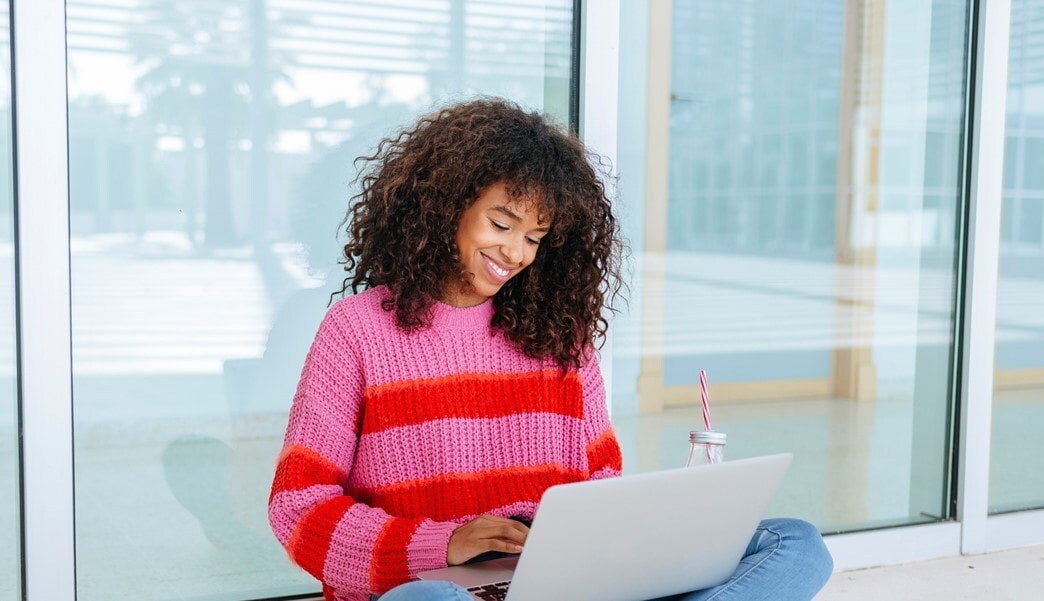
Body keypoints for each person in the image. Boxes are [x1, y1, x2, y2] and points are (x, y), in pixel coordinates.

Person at [266, 98, 833, 601]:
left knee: (797, 545)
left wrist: (615, 548)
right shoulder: (357, 330)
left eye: (535, 237)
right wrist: (444, 543)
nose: (515, 252)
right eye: (501, 223)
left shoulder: (558, 334)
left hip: (562, 583)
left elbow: (601, 482)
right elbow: (299, 508)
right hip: (431, 582)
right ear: (445, 205)